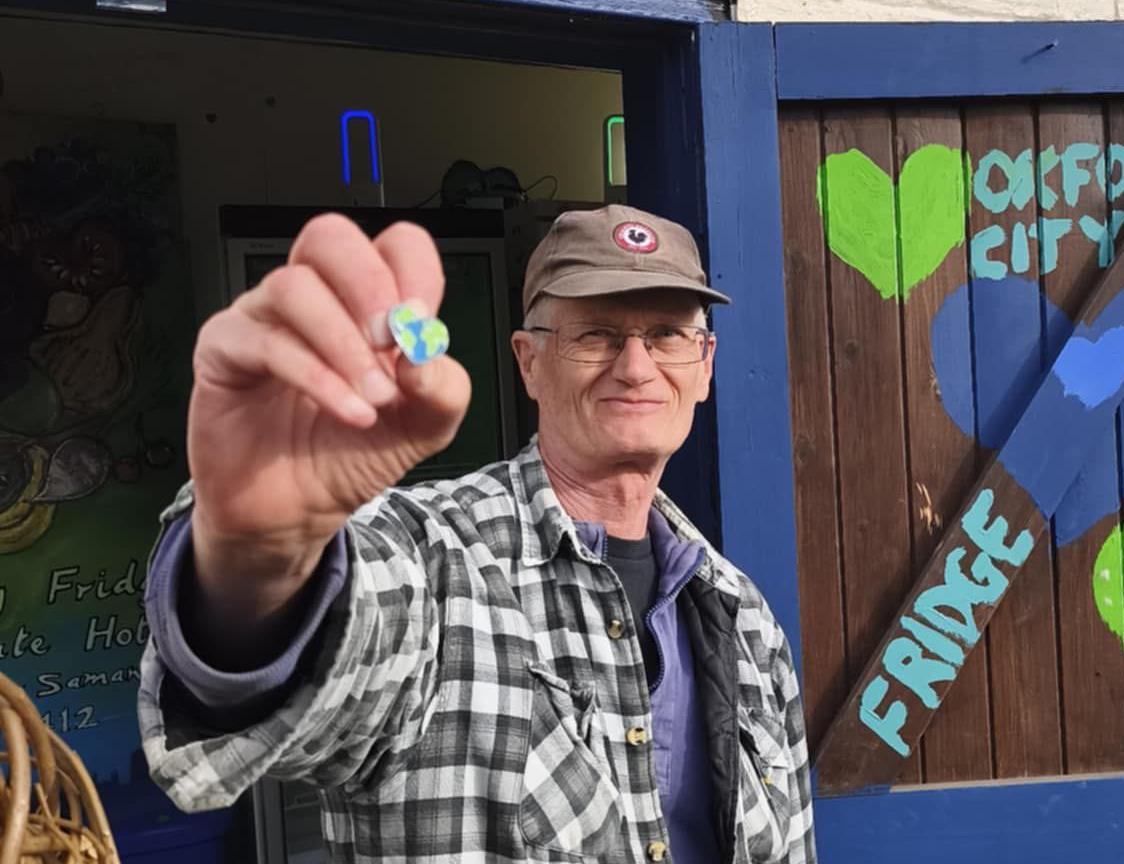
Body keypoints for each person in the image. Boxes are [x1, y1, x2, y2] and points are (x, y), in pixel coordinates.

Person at [137, 205, 817, 864]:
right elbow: (339, 627)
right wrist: (259, 550)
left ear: (704, 365)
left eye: (666, 335)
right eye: (596, 335)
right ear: (528, 361)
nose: (635, 368)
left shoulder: (743, 617)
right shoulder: (437, 564)